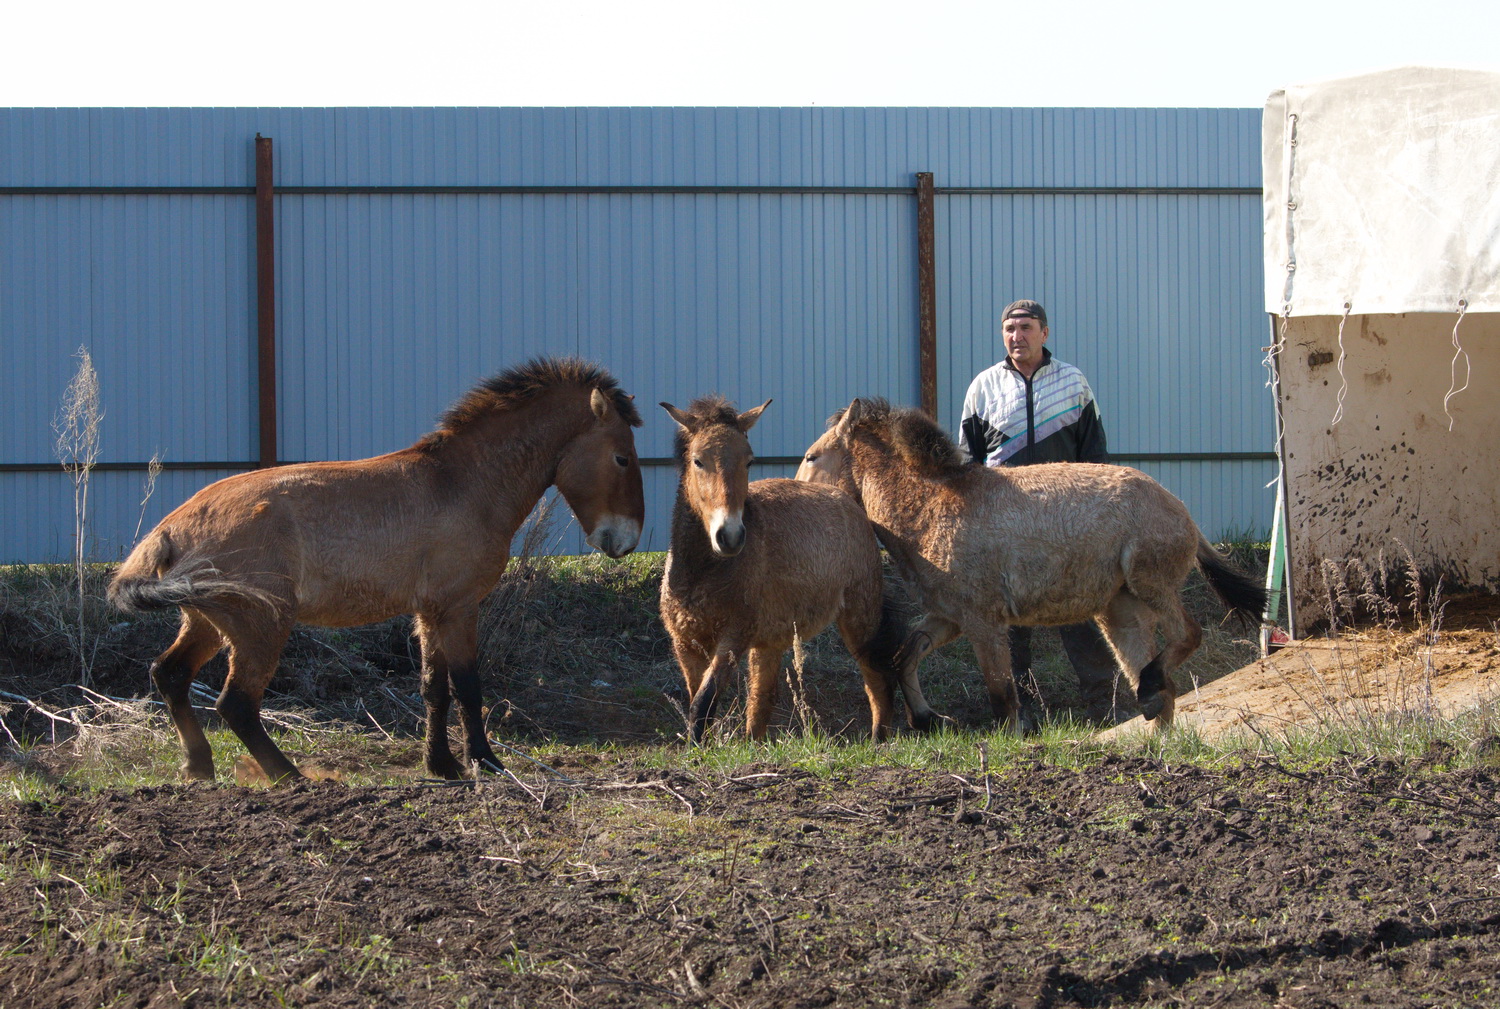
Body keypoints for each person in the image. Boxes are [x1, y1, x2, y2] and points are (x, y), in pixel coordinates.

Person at [958, 299, 1131, 725]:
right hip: (1005, 532)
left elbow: (1095, 456)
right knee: (1008, 624)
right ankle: (1020, 715)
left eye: (1026, 328)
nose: (1017, 336)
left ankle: (1109, 709)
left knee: (1081, 614)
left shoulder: (1073, 383)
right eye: (1010, 329)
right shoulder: (983, 387)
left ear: (1045, 333)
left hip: (1067, 526)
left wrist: (1098, 516)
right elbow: (966, 464)